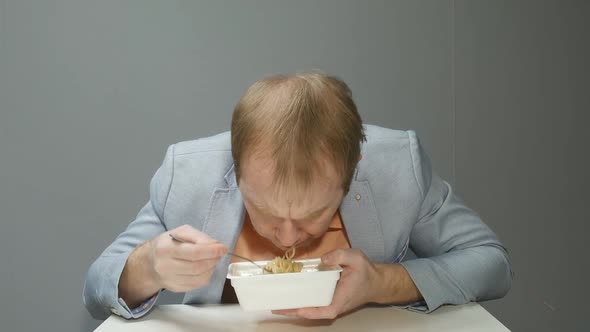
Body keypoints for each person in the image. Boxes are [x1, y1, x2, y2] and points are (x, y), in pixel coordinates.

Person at [83, 72, 512, 320]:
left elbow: (491, 264)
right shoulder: (187, 174)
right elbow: (97, 285)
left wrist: (381, 283)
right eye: (264, 210)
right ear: (235, 166)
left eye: (313, 214)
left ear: (353, 169)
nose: (287, 237)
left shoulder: (397, 167)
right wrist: (149, 267)